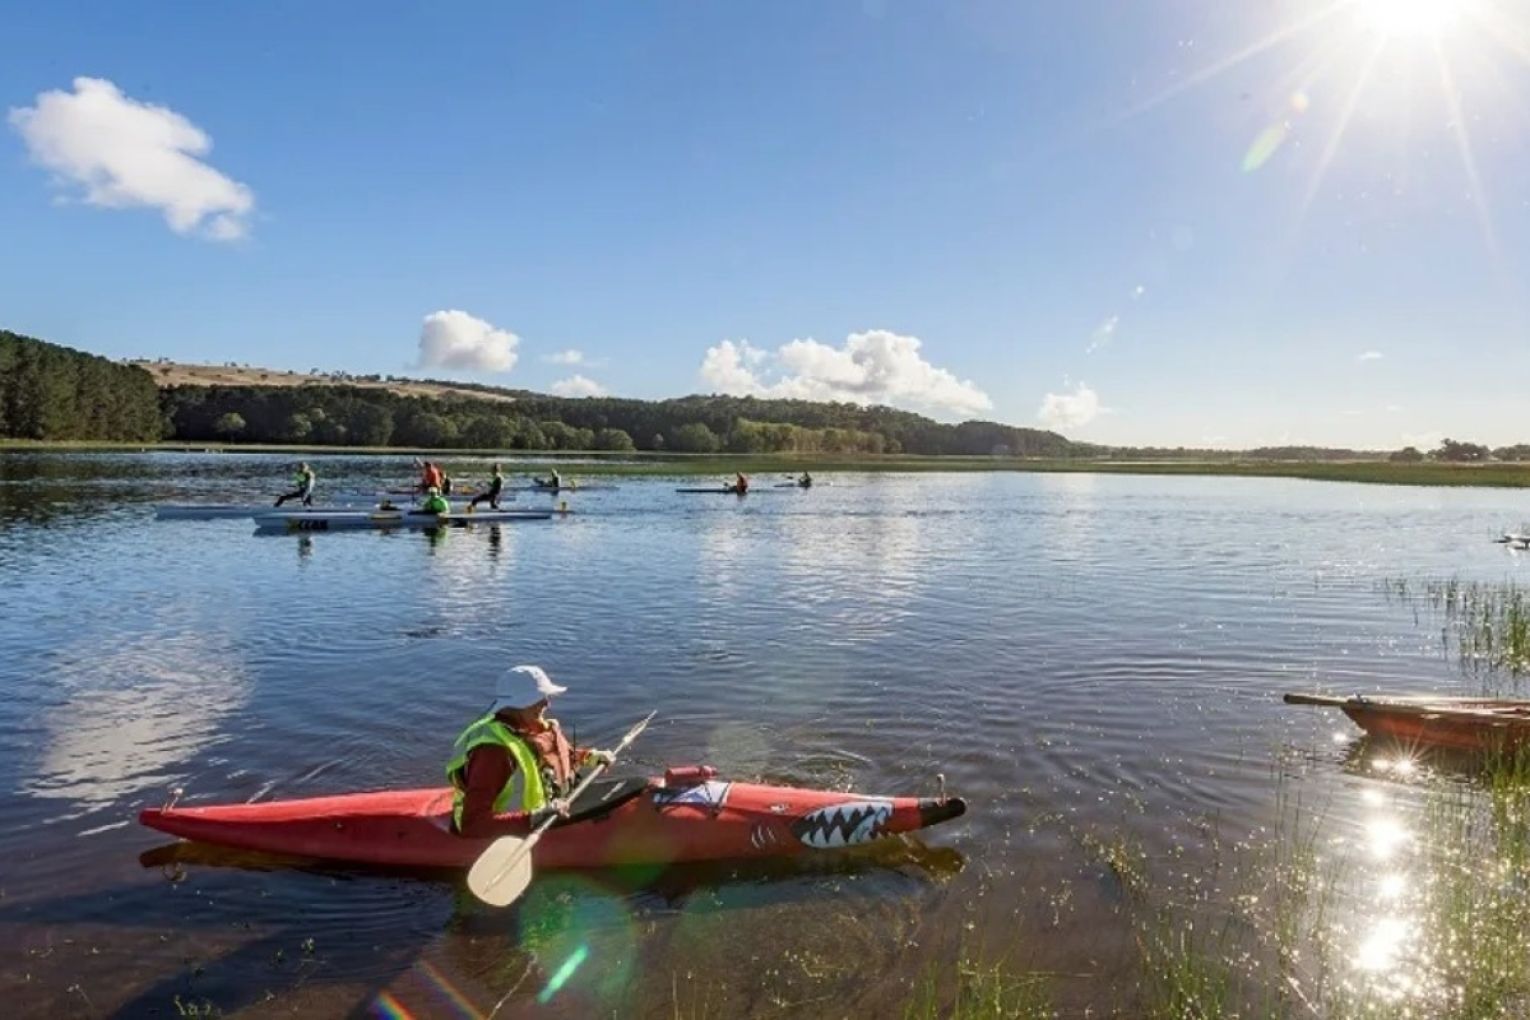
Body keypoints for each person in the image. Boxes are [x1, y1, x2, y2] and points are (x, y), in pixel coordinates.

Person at [447, 665, 615, 837]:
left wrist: (590, 757)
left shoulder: (532, 725)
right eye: (538, 698)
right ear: (515, 705)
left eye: (545, 696)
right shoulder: (493, 753)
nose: (547, 703)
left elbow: (557, 757)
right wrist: (534, 818)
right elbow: (474, 824)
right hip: (506, 830)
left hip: (548, 812)